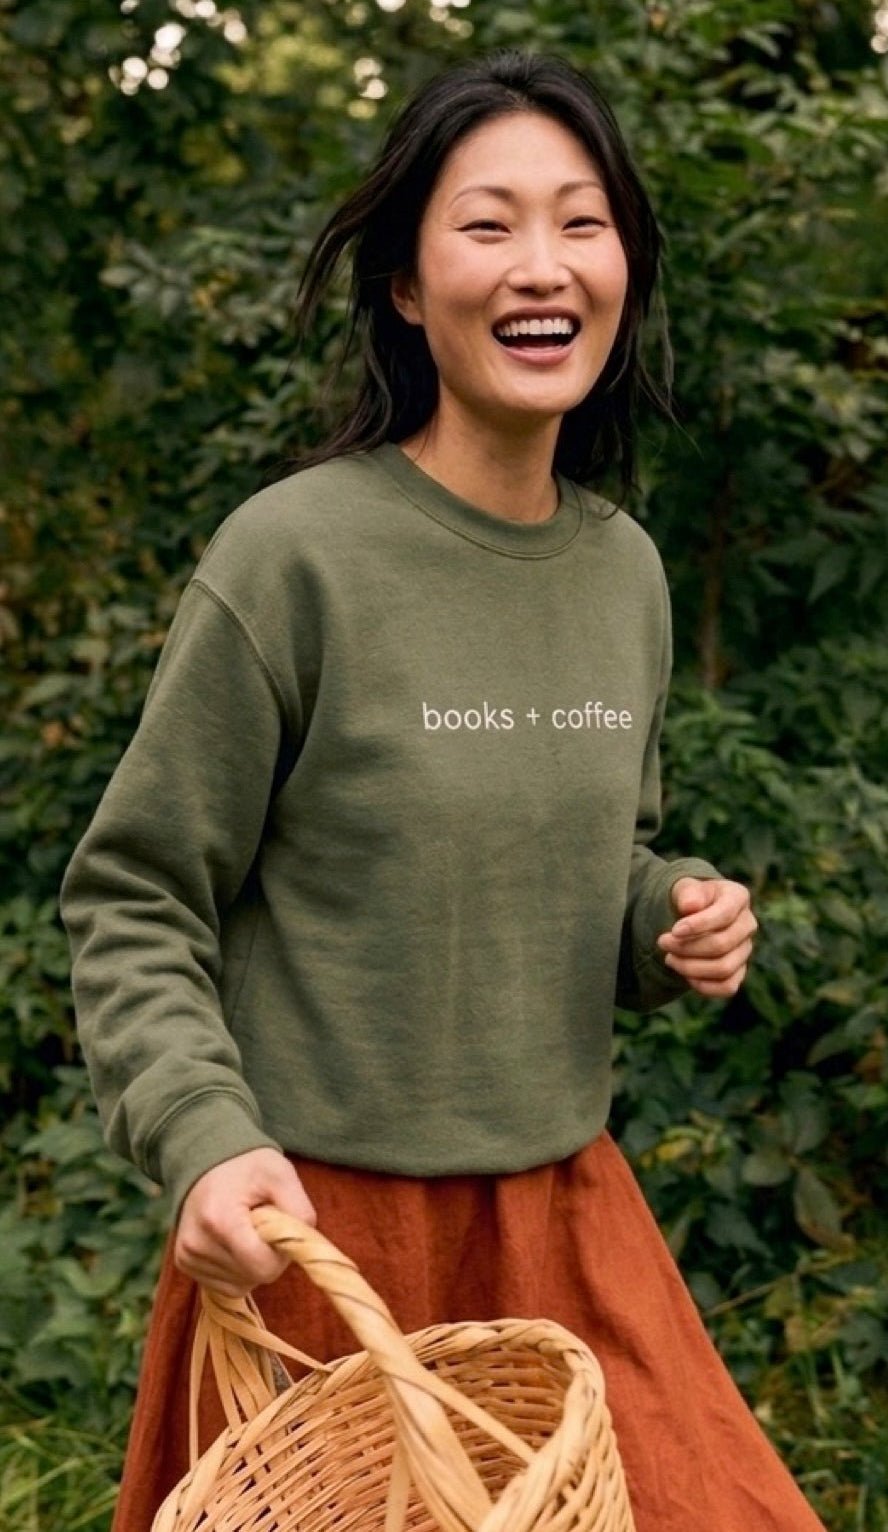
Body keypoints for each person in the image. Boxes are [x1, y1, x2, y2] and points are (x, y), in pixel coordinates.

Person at [61, 50, 825, 1532]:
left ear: (622, 266)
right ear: (407, 284)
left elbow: (597, 854)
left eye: (580, 221)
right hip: (319, 1246)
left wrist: (662, 916)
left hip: (567, 1222)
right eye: (486, 224)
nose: (539, 264)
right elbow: (136, 896)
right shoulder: (294, 558)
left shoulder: (625, 573)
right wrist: (203, 1138)